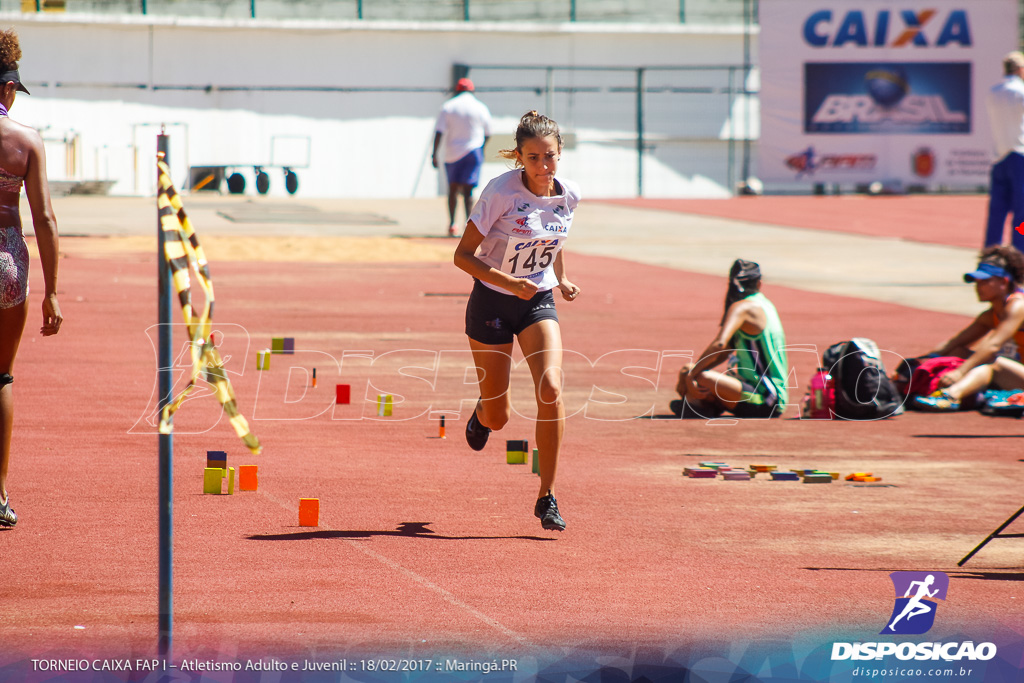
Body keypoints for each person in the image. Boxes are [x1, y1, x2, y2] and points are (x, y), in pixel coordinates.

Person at [453, 110, 580, 532]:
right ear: (519, 159)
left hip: (536, 301)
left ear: (560, 152)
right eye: (533, 159)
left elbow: (551, 239)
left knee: (552, 386)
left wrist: (560, 278)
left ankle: (547, 495)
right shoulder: (500, 193)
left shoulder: (569, 195)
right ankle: (482, 411)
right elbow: (463, 256)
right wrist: (507, 280)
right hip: (492, 301)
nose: (544, 167)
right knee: (499, 418)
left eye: (549, 157)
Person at [0, 27, 62, 527]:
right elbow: (44, 220)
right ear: (8, 88)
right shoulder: (26, 141)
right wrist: (53, 293)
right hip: (6, 260)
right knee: (1, 375)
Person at [672, 260, 788, 419]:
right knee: (690, 370)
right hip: (761, 392)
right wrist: (691, 372)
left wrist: (692, 376)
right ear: (759, 283)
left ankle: (701, 405)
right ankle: (705, 404)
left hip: (766, 398)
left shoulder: (743, 307)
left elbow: (720, 344)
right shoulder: (764, 304)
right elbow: (726, 351)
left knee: (700, 376)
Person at [913, 246, 1024, 411]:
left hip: (1012, 371)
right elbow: (953, 344)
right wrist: (918, 363)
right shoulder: (990, 316)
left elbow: (993, 345)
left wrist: (959, 372)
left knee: (993, 363)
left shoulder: (1019, 306)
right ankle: (927, 387)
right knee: (958, 352)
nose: (978, 286)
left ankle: (950, 396)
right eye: (977, 281)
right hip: (1016, 372)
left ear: (1004, 282)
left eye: (985, 281)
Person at [433, 77, 492, 237]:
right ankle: (469, 224)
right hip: (473, 151)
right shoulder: (480, 107)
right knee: (468, 191)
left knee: (452, 189)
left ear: (457, 90)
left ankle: (452, 224)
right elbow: (488, 133)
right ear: (472, 90)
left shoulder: (448, 106)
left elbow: (439, 131)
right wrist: (481, 149)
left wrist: (434, 154)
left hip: (452, 153)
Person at [984, 51, 1024, 252]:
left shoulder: (993, 92)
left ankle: (990, 255)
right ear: (1020, 69)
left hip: (998, 156)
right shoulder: (1020, 92)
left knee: (996, 212)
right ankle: (1020, 253)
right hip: (1019, 154)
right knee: (1021, 212)